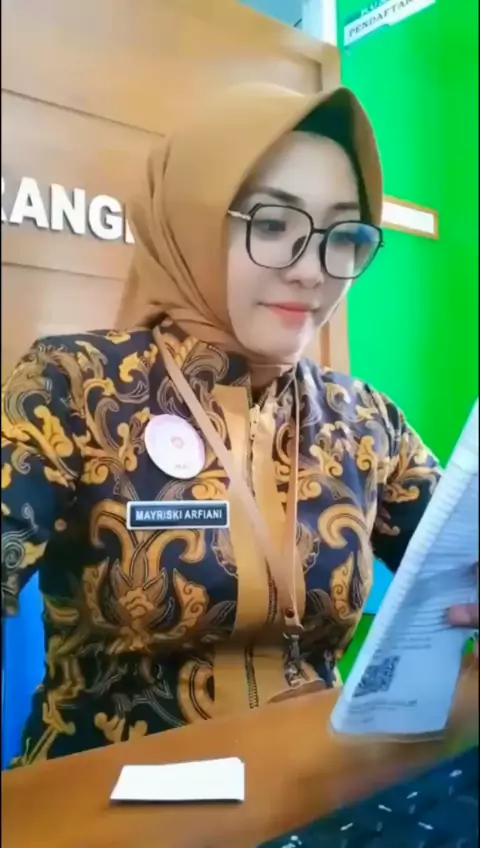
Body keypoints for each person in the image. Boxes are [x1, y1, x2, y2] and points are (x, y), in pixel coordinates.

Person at [1, 83, 477, 767]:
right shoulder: (74, 386)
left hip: (315, 790)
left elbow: (460, 564)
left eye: (342, 236)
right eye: (273, 224)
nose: (312, 271)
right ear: (194, 221)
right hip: (104, 800)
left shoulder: (364, 420)